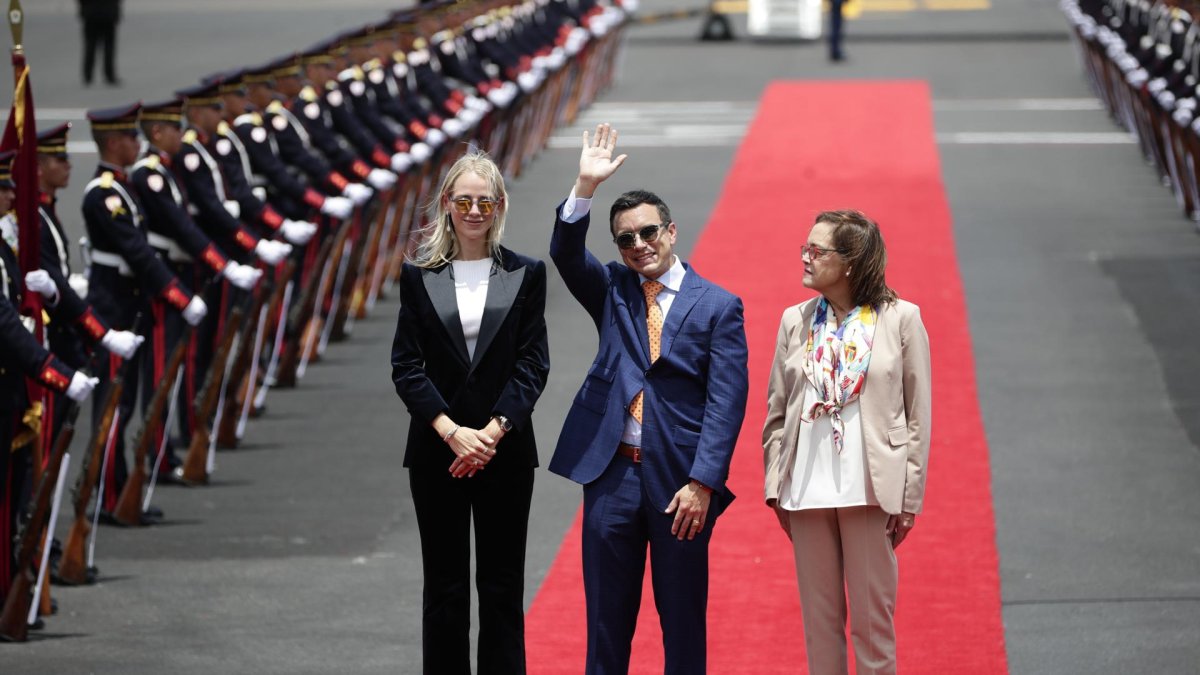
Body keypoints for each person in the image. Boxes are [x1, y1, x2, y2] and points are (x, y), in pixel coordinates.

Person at [548, 123, 749, 674]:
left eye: (648, 232)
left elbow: (726, 402)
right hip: (613, 475)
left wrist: (703, 482)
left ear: (672, 231)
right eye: (626, 239)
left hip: (680, 483)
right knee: (606, 620)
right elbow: (566, 254)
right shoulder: (612, 288)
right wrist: (584, 187)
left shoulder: (718, 306)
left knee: (682, 619)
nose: (639, 245)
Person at [390, 151, 549, 674]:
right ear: (446, 205)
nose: (475, 210)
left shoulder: (526, 274)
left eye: (485, 201)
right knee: (445, 588)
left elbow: (533, 364)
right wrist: (452, 432)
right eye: (465, 201)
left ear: (500, 205)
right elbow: (407, 367)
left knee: (503, 588)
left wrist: (492, 432)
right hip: (438, 454)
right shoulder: (418, 276)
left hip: (504, 452)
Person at [761, 210, 931, 675]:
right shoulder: (794, 320)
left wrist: (909, 497)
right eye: (805, 247)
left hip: (870, 488)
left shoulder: (901, 319)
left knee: (873, 629)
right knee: (820, 627)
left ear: (851, 262)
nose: (806, 257)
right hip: (806, 491)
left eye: (817, 251)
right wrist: (776, 485)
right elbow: (776, 413)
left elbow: (918, 417)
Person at [78, 0, 122, 86]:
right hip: (107, 15)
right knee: (107, 47)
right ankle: (109, 75)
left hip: (91, 14)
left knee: (90, 46)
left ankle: (88, 75)